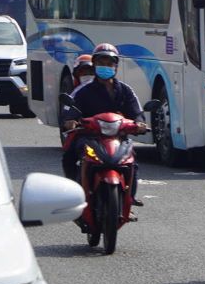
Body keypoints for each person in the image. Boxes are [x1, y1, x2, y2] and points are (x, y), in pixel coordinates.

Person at [61, 43, 147, 206]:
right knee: (69, 155)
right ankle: (74, 194)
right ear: (94, 65)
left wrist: (140, 123)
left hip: (118, 138)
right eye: (101, 63)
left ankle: (129, 198)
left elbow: (136, 112)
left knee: (131, 160)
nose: (105, 67)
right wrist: (70, 121)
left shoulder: (125, 90)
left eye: (109, 63)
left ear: (116, 66)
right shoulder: (83, 91)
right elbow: (71, 110)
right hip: (89, 136)